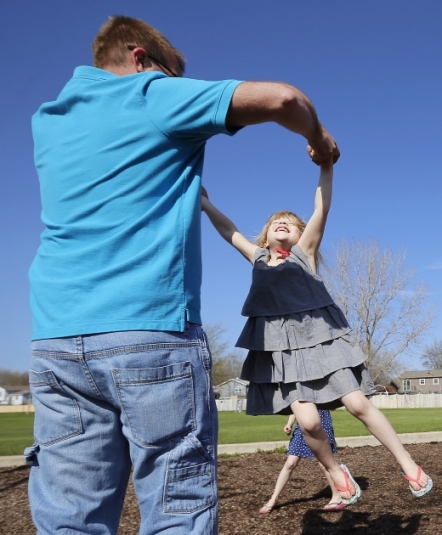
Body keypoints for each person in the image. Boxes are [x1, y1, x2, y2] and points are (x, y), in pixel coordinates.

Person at [27, 15, 339, 535]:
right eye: (173, 75)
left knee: (69, 515)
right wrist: (320, 140)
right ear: (140, 58)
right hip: (149, 333)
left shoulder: (50, 118)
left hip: (56, 339)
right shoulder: (149, 93)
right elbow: (285, 100)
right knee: (177, 507)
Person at [201, 163, 434, 501]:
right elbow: (228, 230)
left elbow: (321, 207)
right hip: (280, 348)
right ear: (265, 237)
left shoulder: (302, 253)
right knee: (309, 423)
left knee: (357, 404)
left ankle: (407, 462)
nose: (283, 223)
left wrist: (326, 166)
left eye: (292, 224)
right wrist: (206, 203)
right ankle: (337, 472)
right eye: (275, 222)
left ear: (301, 235)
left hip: (321, 338)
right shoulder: (259, 259)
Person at [260, 410, 352, 513]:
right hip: (302, 426)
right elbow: (296, 405)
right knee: (290, 463)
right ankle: (273, 498)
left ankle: (337, 496)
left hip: (321, 424)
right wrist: (289, 423)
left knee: (324, 464)